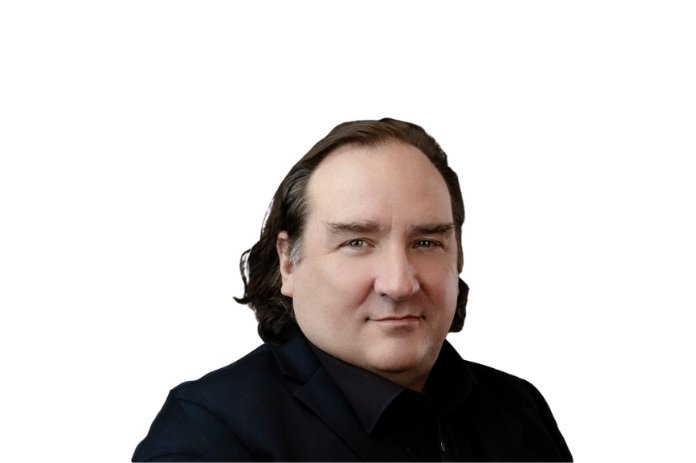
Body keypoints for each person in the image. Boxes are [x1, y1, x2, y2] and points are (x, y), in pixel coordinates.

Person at [133, 118, 572, 462]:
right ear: (288, 262)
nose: (399, 283)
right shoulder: (207, 434)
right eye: (357, 243)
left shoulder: (518, 408)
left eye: (426, 242)